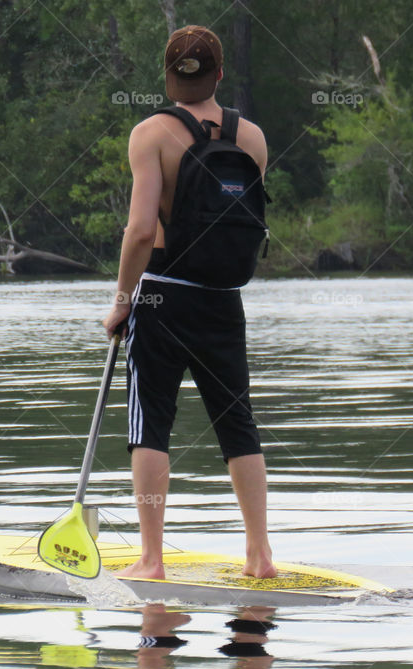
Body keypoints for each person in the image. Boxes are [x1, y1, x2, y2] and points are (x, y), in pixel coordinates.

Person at [102, 25, 276, 579]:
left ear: (169, 76)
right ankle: (260, 555)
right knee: (237, 424)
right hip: (224, 300)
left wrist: (122, 302)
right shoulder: (252, 139)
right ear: (220, 74)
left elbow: (138, 232)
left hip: (161, 296)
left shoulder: (150, 133)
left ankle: (151, 560)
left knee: (150, 424)